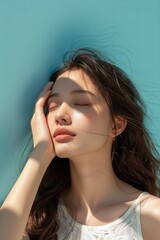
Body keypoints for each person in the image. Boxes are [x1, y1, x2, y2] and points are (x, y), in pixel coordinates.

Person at [0, 48, 160, 240]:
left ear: (116, 125)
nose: (60, 115)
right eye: (53, 106)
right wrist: (40, 153)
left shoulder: (151, 216)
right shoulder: (40, 220)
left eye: (81, 103)